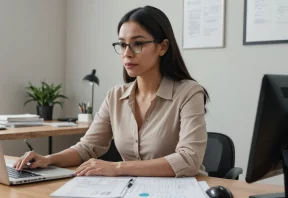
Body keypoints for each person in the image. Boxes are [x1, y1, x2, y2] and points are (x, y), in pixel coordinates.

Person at [14, 5, 210, 177]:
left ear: (162, 47)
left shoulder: (188, 92)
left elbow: (189, 159)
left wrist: (117, 167)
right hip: (132, 189)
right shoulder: (115, 96)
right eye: (123, 44)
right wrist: (47, 160)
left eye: (138, 44)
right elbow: (87, 147)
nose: (127, 53)